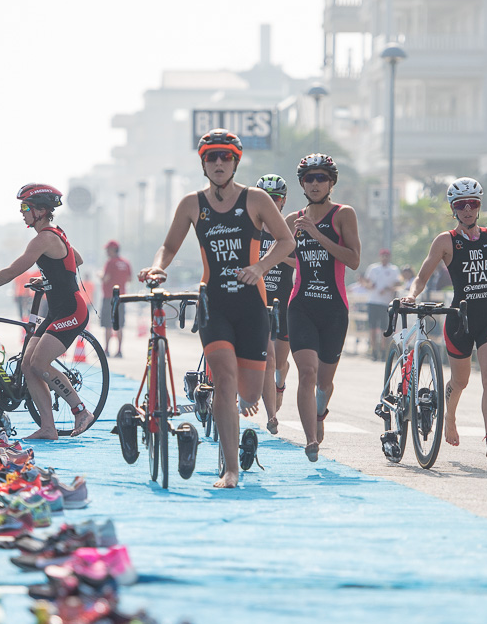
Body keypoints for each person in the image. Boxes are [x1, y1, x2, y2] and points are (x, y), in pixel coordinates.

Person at [140, 130, 294, 489]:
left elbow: (286, 241)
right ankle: (230, 470)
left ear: (236, 161)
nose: (219, 163)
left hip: (252, 305)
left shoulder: (255, 199)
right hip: (215, 305)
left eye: (226, 157)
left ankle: (232, 413)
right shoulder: (192, 204)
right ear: (203, 163)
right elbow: (168, 245)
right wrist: (158, 266)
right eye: (212, 157)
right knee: (224, 378)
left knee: (250, 394)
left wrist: (260, 267)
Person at [0, 183, 93, 439]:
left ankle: (81, 411)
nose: (21, 212)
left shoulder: (44, 238)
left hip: (71, 311)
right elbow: (75, 259)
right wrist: (51, 279)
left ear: (41, 211)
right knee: (27, 365)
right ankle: (48, 428)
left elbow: (12, 272)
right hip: (58, 309)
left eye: (25, 207)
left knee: (40, 363)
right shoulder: (56, 234)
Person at [403, 177, 487, 458]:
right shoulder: (445, 241)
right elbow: (422, 275)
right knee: (460, 382)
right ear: (453, 208)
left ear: (479, 206)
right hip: (459, 319)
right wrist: (412, 295)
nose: (467, 210)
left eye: (473, 204)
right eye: (461, 205)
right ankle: (450, 417)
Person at [286, 153, 361, 463]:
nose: (315, 183)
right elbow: (290, 256)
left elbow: (353, 260)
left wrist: (316, 235)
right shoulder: (293, 219)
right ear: (302, 183)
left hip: (334, 308)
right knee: (306, 372)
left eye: (321, 178)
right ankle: (310, 438)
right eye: (309, 178)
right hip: (301, 305)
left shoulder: (343, 214)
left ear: (331, 182)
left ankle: (319, 413)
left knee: (324, 381)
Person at [254, 174, 295, 435]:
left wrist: (275, 258)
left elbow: (301, 261)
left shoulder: (288, 229)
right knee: (266, 358)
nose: (271, 202)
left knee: (280, 362)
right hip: (258, 301)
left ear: (283, 202)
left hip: (285, 300)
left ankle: (280, 385)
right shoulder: (250, 228)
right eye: (266, 197)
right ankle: (270, 415)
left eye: (276, 198)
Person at [361, 248, 402, 361]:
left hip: (386, 303)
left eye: (386, 256)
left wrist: (389, 288)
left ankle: (384, 351)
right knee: (373, 328)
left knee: (385, 328)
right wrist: (370, 286)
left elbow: (398, 284)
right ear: (380, 257)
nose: (384, 258)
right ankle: (374, 350)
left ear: (389, 257)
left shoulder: (393, 269)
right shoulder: (373, 268)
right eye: (383, 256)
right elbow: (366, 282)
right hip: (373, 301)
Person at [100, 240, 132, 358]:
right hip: (121, 297)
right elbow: (129, 279)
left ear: (113, 250)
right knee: (119, 325)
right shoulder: (125, 263)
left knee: (108, 325)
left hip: (109, 297)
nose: (106, 252)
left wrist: (100, 275)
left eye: (108, 249)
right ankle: (119, 350)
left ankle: (107, 349)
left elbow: (106, 279)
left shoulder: (110, 263)